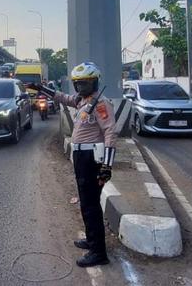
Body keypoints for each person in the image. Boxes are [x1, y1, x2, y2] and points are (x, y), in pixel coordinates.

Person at [30, 62, 116, 267]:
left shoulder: (101, 104)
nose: (79, 88)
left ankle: (99, 253)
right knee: (86, 203)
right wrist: (42, 89)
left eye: (84, 83)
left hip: (91, 159)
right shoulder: (83, 100)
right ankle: (92, 240)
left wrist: (107, 166)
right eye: (77, 84)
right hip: (81, 158)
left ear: (94, 82)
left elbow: (110, 132)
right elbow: (63, 98)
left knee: (90, 205)